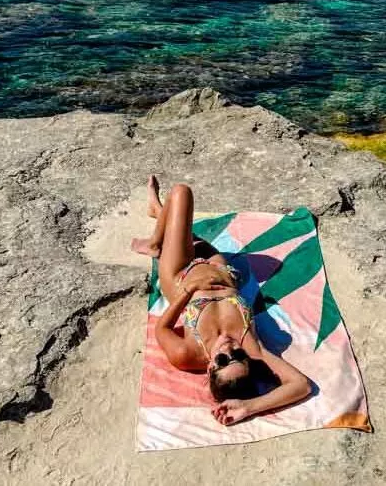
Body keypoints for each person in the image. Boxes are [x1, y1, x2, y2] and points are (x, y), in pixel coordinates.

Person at [132, 176, 311, 426]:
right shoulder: (254, 350)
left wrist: (187, 291)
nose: (229, 348)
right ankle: (158, 212)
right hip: (218, 266)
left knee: (181, 193)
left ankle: (154, 242)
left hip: (180, 273)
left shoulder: (187, 353)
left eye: (223, 360)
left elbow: (161, 329)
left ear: (209, 369)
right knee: (183, 229)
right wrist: (249, 406)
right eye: (237, 355)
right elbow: (301, 385)